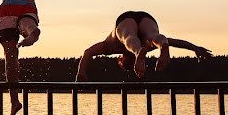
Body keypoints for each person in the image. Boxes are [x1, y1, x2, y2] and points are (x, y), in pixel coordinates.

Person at [76, 10, 213, 81]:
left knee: (129, 37)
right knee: (151, 36)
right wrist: (195, 48)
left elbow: (87, 52)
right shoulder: (111, 47)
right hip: (142, 18)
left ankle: (144, 50)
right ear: (121, 59)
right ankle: (161, 46)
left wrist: (81, 73)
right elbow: (87, 52)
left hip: (129, 21)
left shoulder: (112, 47)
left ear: (120, 59)